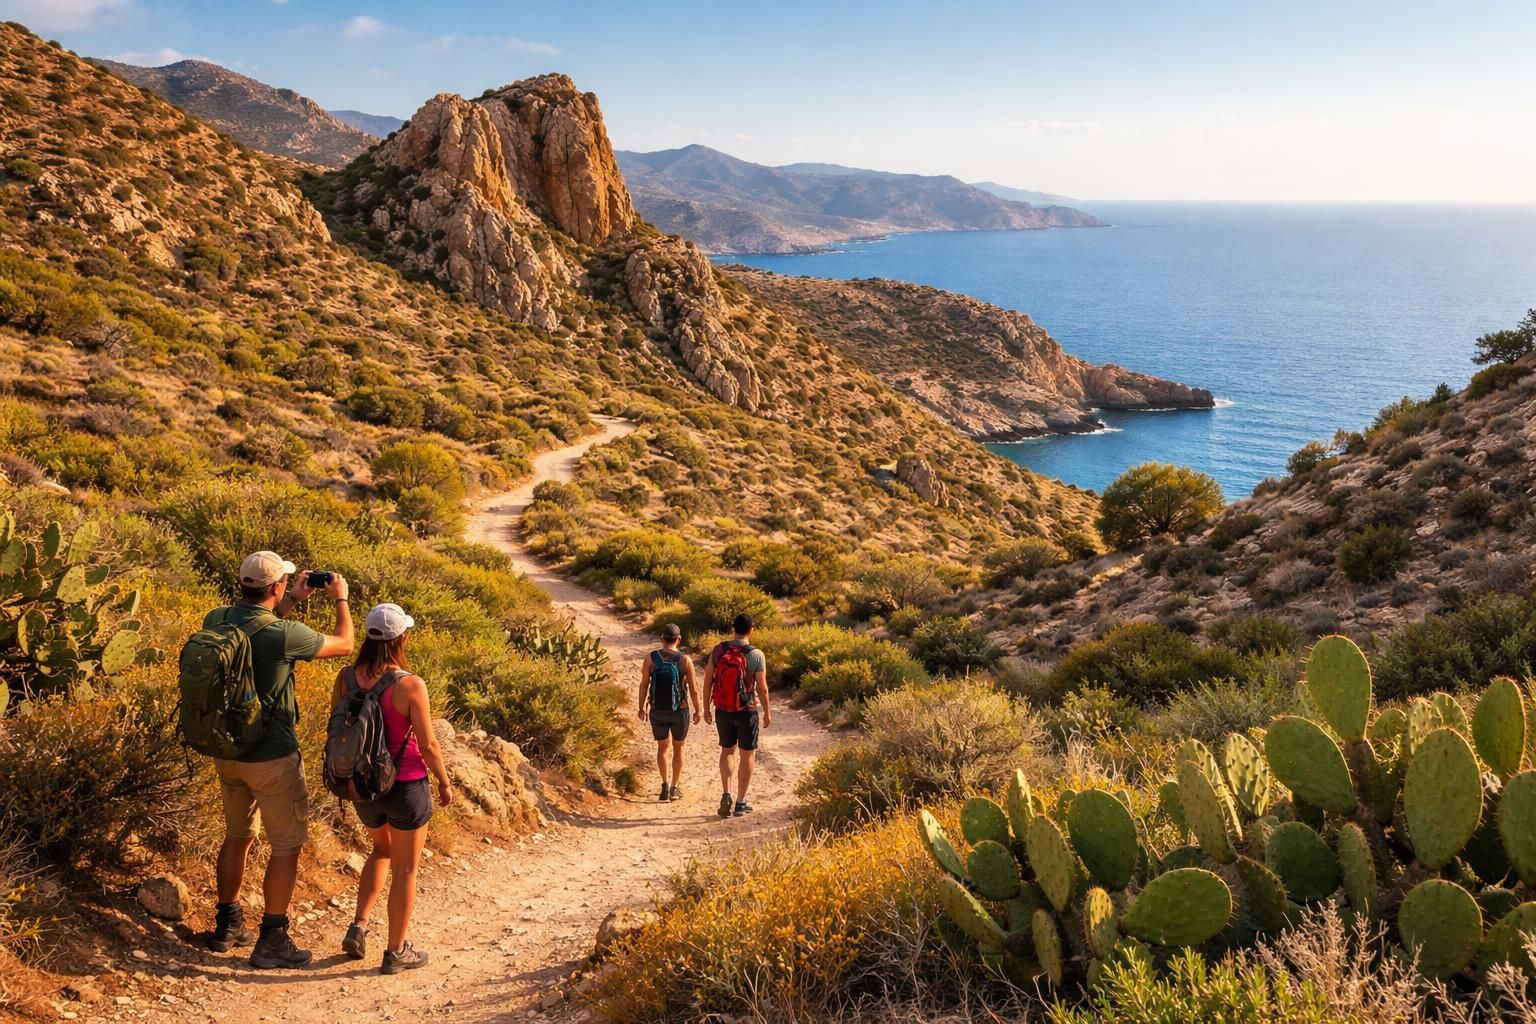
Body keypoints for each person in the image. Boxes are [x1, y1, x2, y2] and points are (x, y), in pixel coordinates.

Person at [208, 552, 353, 968]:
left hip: (227, 752)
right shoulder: (285, 635)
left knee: (237, 837)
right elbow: (345, 644)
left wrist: (291, 600)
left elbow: (253, 632)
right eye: (283, 584)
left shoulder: (216, 619)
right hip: (272, 756)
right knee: (286, 847)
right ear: (274, 587)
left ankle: (227, 924)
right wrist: (340, 598)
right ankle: (272, 938)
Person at [333, 603, 454, 975]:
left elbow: (340, 730)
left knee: (381, 849)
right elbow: (430, 745)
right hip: (405, 786)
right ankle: (396, 951)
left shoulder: (345, 677)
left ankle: (359, 925)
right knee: (405, 869)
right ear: (402, 637)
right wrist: (445, 782)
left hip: (363, 788)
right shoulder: (409, 684)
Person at [703, 613, 771, 818]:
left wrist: (706, 707)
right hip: (746, 710)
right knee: (747, 754)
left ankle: (726, 793)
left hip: (723, 709)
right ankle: (741, 801)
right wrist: (767, 711)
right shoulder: (756, 654)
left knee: (727, 751)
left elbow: (708, 681)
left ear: (733, 628)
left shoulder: (718, 650)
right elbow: (762, 688)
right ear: (752, 630)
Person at [637, 623, 701, 802]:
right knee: (679, 746)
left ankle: (664, 785)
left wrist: (641, 707)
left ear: (662, 638)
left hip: (657, 710)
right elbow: (694, 689)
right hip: (679, 711)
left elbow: (644, 685)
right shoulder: (685, 660)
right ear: (678, 639)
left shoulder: (651, 658)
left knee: (662, 747)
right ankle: (674, 787)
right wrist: (698, 710)